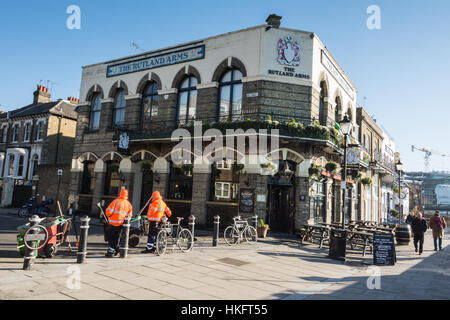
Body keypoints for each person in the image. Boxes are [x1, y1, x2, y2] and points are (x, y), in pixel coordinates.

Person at [104, 188, 133, 257]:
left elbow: (108, 212)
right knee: (116, 236)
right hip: (121, 223)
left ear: (120, 194)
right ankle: (116, 249)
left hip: (113, 223)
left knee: (111, 236)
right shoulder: (128, 204)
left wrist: (109, 215)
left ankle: (111, 251)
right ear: (126, 195)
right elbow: (130, 215)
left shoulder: (116, 201)